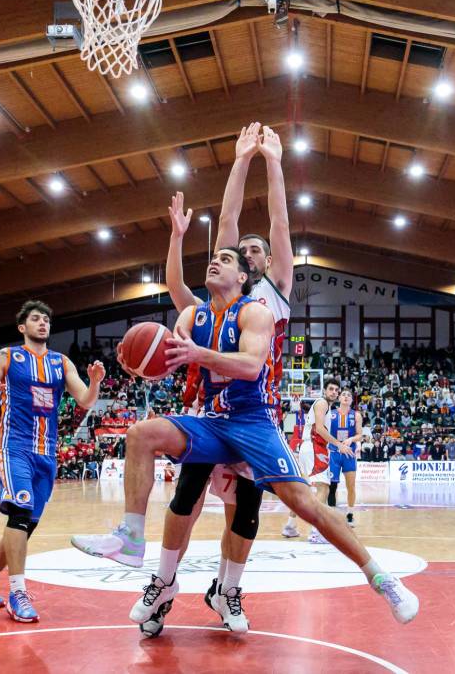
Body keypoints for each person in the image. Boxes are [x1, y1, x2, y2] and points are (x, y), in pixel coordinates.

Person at [71, 246, 418, 629]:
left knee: (305, 503)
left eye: (225, 259)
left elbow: (252, 367)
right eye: (213, 257)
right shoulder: (193, 314)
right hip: (213, 421)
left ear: (242, 277)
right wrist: (139, 363)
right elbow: (170, 353)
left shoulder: (255, 312)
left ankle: (381, 579)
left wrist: (196, 353)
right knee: (140, 434)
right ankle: (133, 537)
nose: (215, 261)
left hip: (254, 421)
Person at [121, 122, 296, 637]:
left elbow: (281, 224)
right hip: (210, 409)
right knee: (188, 497)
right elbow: (229, 219)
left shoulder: (276, 293)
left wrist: (274, 163)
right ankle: (162, 585)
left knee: (247, 507)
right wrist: (240, 160)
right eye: (243, 250)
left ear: (263, 265)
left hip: (257, 412)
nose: (251, 253)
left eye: (257, 251)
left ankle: (227, 590)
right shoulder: (220, 292)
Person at [0, 300, 104, 622]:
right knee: (20, 512)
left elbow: (85, 400)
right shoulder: (7, 356)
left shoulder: (61, 362)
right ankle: (18, 593)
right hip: (15, 446)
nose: (43, 323)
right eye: (35, 319)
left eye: (46, 319)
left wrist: (95, 381)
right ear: (22, 327)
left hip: (48, 450)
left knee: (26, 523)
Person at [291, 380, 340, 543]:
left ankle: (290, 526)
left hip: (310, 447)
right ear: (324, 390)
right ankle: (316, 532)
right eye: (331, 389)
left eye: (336, 390)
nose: (334, 392)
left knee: (305, 490)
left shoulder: (327, 406)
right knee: (323, 489)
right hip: (314, 447)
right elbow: (319, 429)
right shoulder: (322, 403)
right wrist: (338, 444)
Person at [326, 389, 362, 527]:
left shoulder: (356, 415)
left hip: (349, 454)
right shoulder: (331, 414)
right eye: (344, 395)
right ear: (339, 398)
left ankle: (350, 514)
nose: (346, 397)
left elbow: (360, 435)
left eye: (349, 396)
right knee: (332, 486)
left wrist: (352, 439)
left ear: (352, 400)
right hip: (334, 453)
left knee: (351, 486)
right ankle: (332, 515)